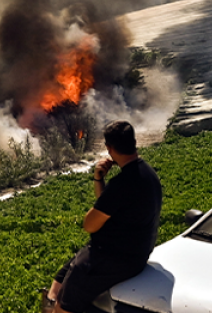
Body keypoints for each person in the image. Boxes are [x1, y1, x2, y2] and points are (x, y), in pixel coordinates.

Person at [45, 120, 162, 313]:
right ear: (133, 142)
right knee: (60, 279)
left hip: (112, 258)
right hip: (134, 253)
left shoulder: (123, 183)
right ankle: (48, 306)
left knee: (63, 305)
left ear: (109, 148)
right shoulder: (146, 173)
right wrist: (99, 179)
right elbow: (109, 205)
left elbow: (90, 225)